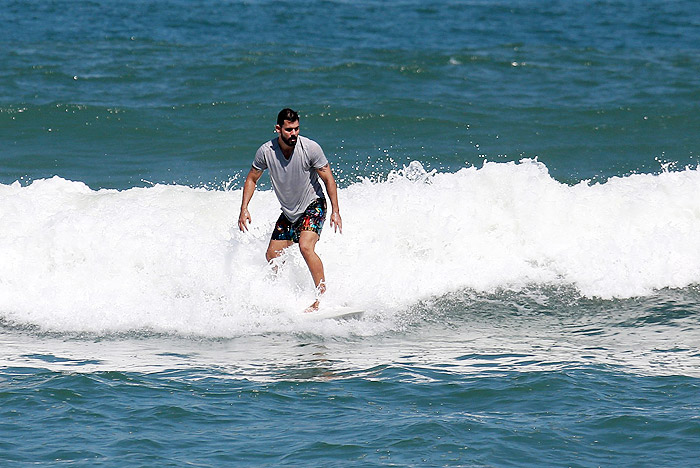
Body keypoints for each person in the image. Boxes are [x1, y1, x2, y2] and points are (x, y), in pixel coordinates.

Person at [238, 108, 342, 312]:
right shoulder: (266, 152)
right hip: (289, 212)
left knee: (305, 246)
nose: (293, 134)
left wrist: (335, 211)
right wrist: (244, 208)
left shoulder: (310, 148)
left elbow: (328, 178)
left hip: (314, 205)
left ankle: (322, 298)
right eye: (288, 130)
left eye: (296, 129)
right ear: (278, 129)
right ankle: (282, 294)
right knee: (272, 255)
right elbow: (251, 178)